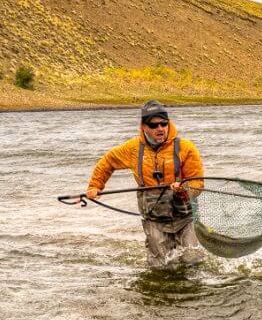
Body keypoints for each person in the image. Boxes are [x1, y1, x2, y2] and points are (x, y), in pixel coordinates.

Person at [85, 101, 205, 268]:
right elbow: (107, 162)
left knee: (192, 261)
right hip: (154, 219)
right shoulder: (132, 148)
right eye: (154, 125)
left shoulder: (186, 148)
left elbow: (197, 183)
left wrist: (184, 190)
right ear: (143, 127)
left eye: (164, 123)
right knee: (160, 267)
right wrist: (95, 186)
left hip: (185, 218)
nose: (160, 128)